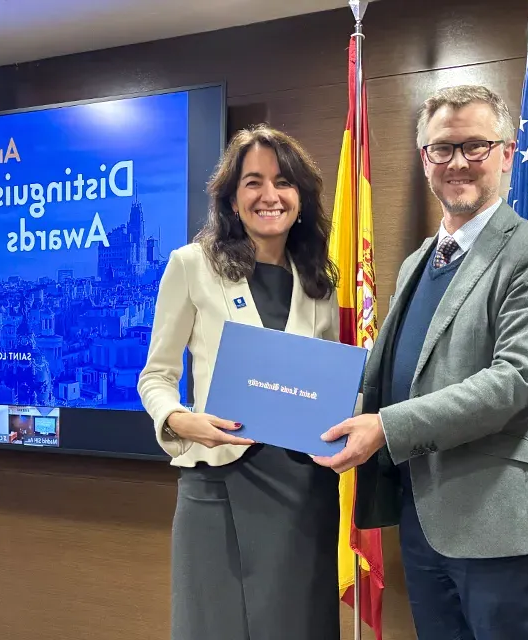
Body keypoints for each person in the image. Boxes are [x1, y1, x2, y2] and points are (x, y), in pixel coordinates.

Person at [313, 85, 528, 639]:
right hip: (422, 517)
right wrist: (301, 400)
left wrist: (386, 426)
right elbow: (392, 376)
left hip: (496, 524)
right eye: (443, 149)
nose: (458, 162)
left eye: (476, 146)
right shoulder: (419, 260)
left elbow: (517, 381)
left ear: (508, 154)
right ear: (424, 160)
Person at [137, 124, 342, 640]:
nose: (269, 196)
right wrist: (181, 419)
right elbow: (156, 376)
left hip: (306, 489)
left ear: (302, 196)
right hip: (218, 483)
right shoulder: (191, 266)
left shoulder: (321, 278)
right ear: (231, 197)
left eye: (284, 182)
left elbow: (329, 377)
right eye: (253, 182)